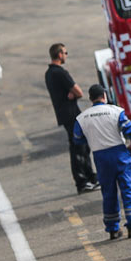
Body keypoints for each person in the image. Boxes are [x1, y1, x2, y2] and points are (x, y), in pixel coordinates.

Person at [73, 84, 131, 240]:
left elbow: (77, 139)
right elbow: (130, 130)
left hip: (100, 157)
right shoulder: (116, 111)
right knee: (128, 190)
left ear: (90, 99)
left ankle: (112, 229)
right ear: (104, 96)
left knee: (108, 193)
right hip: (120, 154)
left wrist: (92, 139)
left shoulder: (82, 118)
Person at [44, 43, 99, 194]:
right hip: (71, 114)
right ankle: (83, 181)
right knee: (79, 148)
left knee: (82, 146)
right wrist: (73, 93)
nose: (66, 55)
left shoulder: (49, 73)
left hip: (65, 114)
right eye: (65, 53)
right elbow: (79, 92)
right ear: (59, 54)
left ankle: (90, 177)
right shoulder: (60, 73)